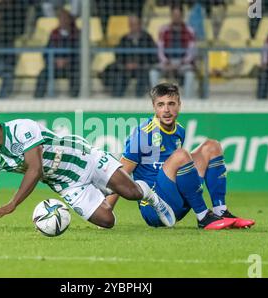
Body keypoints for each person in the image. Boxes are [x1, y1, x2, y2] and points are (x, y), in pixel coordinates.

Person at [0, 102, 176, 230]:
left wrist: (13, 204)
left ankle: (150, 195)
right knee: (107, 222)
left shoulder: (21, 128)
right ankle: (104, 191)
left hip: (84, 158)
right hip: (65, 183)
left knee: (132, 193)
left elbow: (35, 169)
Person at [106, 83, 255, 230]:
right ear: (154, 107)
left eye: (171, 104)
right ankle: (203, 216)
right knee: (181, 155)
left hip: (178, 204)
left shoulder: (180, 131)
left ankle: (220, 211)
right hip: (154, 209)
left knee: (212, 146)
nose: (166, 110)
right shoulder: (143, 134)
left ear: (179, 105)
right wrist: (107, 210)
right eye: (161, 105)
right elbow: (120, 175)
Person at [149, 4, 198, 99]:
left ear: (182, 16)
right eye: (174, 15)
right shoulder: (163, 30)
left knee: (190, 74)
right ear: (171, 16)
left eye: (178, 15)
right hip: (167, 63)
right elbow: (160, 49)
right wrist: (166, 62)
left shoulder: (190, 30)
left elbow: (191, 52)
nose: (176, 18)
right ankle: (155, 100)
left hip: (183, 64)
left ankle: (188, 101)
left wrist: (181, 63)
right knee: (153, 72)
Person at [106, 15, 158, 98]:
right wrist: (126, 65)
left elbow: (153, 56)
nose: (132, 27)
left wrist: (140, 65)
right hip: (127, 69)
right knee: (119, 76)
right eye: (131, 24)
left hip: (142, 69)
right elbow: (118, 56)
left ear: (140, 24)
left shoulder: (147, 38)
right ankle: (116, 99)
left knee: (143, 77)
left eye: (135, 24)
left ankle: (139, 100)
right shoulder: (124, 39)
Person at [34, 9, 80, 98]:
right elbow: (46, 53)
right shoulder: (54, 33)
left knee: (76, 74)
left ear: (70, 20)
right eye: (61, 19)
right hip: (55, 66)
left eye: (65, 18)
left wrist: (68, 61)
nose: (63, 21)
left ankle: (74, 98)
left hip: (71, 66)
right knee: (43, 74)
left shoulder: (77, 34)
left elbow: (80, 53)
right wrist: (55, 61)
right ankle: (37, 99)